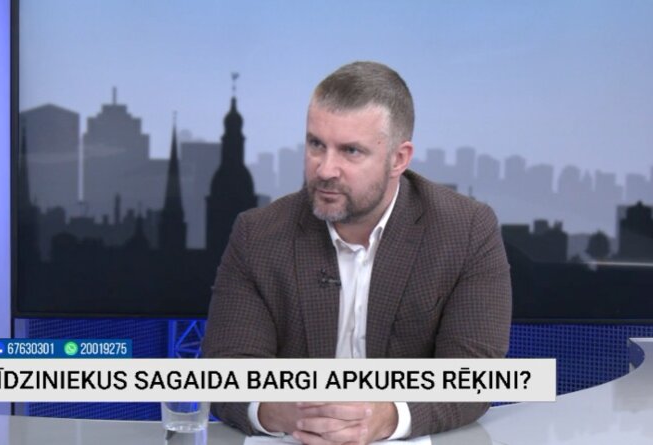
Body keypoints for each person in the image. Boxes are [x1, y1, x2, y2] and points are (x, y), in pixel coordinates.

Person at [201, 61, 512, 443]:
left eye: (350, 151)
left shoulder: (466, 230)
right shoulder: (258, 235)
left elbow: (476, 374)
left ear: (399, 159)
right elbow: (227, 368)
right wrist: (286, 409)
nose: (325, 169)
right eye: (316, 144)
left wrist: (386, 416)